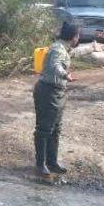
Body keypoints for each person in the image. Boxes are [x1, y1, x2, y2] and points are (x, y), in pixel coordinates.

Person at [34, 22, 80, 176]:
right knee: (44, 129)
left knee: (55, 129)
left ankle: (52, 162)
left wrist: (94, 47)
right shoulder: (57, 49)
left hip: (56, 92)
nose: (78, 38)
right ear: (73, 37)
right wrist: (66, 75)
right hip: (48, 91)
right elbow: (55, 65)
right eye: (78, 35)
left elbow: (73, 54)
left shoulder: (63, 48)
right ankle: (40, 164)